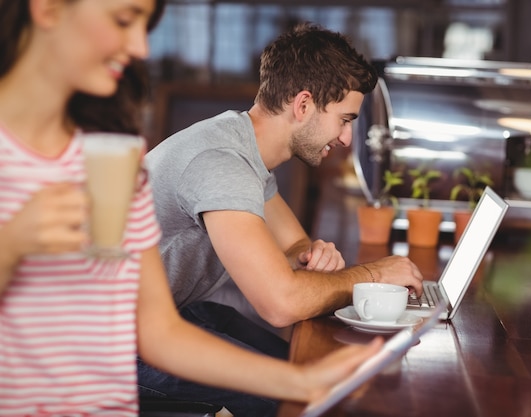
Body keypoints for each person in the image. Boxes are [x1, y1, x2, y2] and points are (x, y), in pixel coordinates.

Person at [0, 1, 385, 416]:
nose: (141, 48)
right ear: (48, 9)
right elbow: (280, 303)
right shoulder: (216, 157)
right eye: (125, 20)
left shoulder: (111, 150)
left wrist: (302, 381)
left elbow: (156, 330)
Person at [142, 22, 425, 415]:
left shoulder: (243, 149)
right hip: (107, 345)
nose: (345, 139)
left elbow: (295, 246)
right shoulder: (221, 162)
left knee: (306, 368)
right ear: (303, 105)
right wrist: (374, 275)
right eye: (345, 119)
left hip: (167, 313)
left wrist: (308, 257)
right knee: (302, 400)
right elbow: (280, 304)